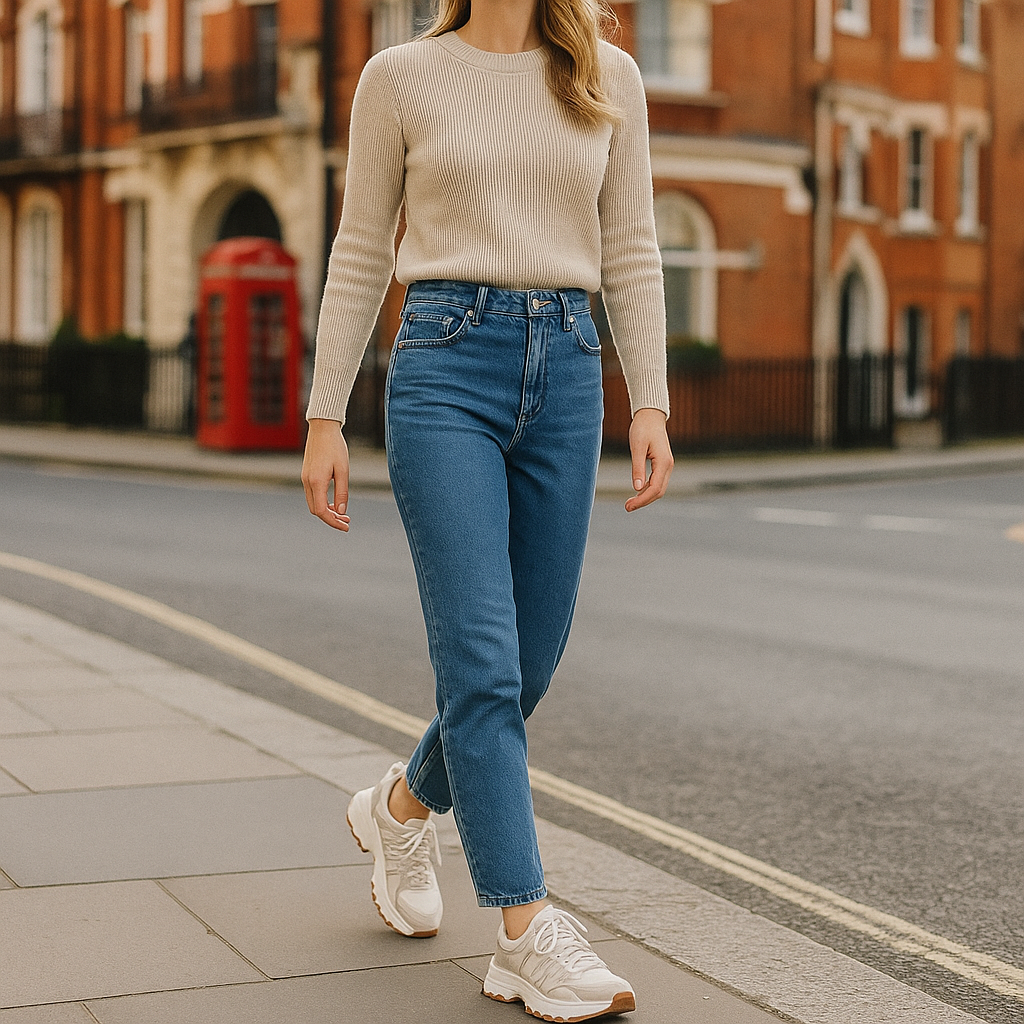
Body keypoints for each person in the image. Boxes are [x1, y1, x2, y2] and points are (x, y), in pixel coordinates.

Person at [301, 0, 672, 1017]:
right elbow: (361, 246)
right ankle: (524, 926)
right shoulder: (400, 78)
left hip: (569, 368)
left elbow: (632, 245)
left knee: (529, 664)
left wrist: (650, 398)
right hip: (443, 365)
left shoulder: (608, 77)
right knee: (481, 662)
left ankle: (399, 806)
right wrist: (325, 412)